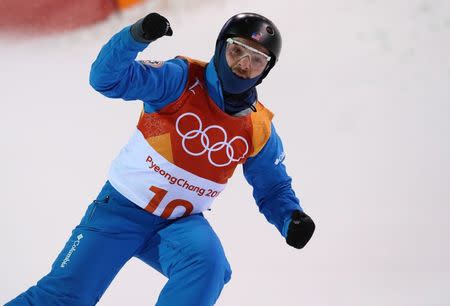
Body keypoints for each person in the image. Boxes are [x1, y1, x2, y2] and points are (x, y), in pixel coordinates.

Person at [6, 12, 315, 306]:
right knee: (63, 298)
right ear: (221, 48)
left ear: (267, 70)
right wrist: (136, 36)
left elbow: (272, 187)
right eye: (237, 52)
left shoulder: (257, 127)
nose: (243, 65)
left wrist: (291, 218)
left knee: (208, 266)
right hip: (120, 211)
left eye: (257, 60)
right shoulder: (179, 80)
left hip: (178, 224)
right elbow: (106, 79)